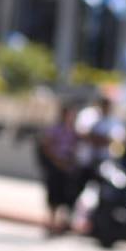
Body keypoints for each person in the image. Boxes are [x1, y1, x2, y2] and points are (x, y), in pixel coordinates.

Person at [37, 101, 82, 236]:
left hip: (68, 168)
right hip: (56, 167)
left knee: (66, 196)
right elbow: (47, 146)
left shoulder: (73, 131)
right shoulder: (55, 129)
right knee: (53, 196)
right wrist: (57, 161)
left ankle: (61, 224)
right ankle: (51, 223)